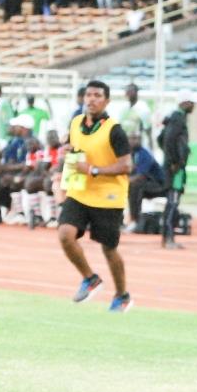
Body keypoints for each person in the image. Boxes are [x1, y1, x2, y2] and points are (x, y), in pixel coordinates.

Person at [57, 80, 133, 312]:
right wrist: (66, 152)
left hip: (108, 195)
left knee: (108, 249)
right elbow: (72, 147)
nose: (91, 99)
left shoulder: (114, 129)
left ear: (107, 101)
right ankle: (90, 278)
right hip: (80, 191)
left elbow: (126, 165)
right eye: (88, 95)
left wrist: (93, 170)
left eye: (97, 95)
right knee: (65, 234)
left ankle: (122, 295)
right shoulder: (76, 122)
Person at [160, 90, 197, 249]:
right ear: (184, 103)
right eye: (191, 103)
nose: (193, 106)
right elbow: (168, 140)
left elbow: (161, 138)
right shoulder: (177, 119)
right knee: (173, 201)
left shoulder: (175, 118)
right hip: (175, 168)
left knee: (173, 201)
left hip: (175, 167)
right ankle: (168, 238)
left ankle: (168, 238)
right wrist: (174, 161)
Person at [125, 132, 166, 231]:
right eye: (133, 138)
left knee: (135, 187)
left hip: (159, 185)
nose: (136, 141)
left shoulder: (144, 154)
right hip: (145, 183)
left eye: (138, 138)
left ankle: (135, 220)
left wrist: (122, 182)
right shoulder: (130, 154)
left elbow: (140, 176)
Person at [119, 83, 153, 150]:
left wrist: (151, 150)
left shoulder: (143, 109)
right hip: (124, 146)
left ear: (136, 93)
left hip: (137, 147)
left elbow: (148, 132)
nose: (127, 93)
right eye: (126, 91)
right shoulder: (123, 109)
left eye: (130, 91)